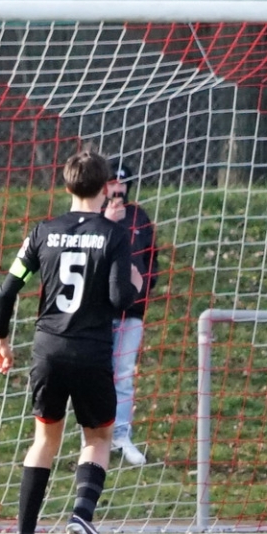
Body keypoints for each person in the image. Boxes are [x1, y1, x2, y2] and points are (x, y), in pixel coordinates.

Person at [0, 149, 140, 534]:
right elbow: (118, 298)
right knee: (98, 436)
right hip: (91, 351)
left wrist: (0, 336)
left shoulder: (43, 231)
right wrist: (135, 279)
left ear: (67, 184)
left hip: (48, 349)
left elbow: (8, 289)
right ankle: (81, 514)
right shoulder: (112, 236)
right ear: (107, 187)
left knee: (45, 439)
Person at [103, 160, 159, 467]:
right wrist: (109, 222)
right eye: (113, 182)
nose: (118, 188)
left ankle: (122, 435)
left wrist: (140, 292)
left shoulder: (140, 216)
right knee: (97, 372)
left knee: (123, 373)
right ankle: (94, 436)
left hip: (131, 311)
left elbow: (152, 261)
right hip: (98, 311)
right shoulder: (96, 216)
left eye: (123, 182)